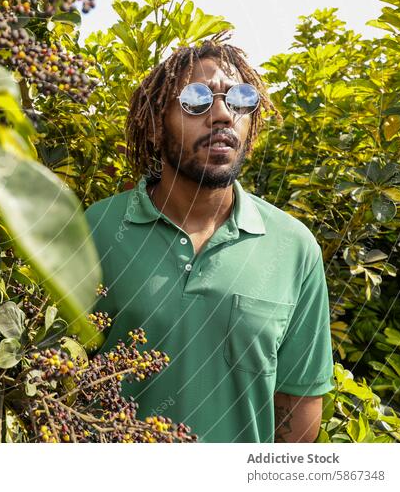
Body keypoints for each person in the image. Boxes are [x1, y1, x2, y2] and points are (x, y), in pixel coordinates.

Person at [83, 40, 334, 443]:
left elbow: (298, 406)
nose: (221, 114)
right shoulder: (96, 229)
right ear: (155, 122)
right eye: (196, 100)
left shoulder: (293, 248)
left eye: (240, 99)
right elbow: (52, 376)